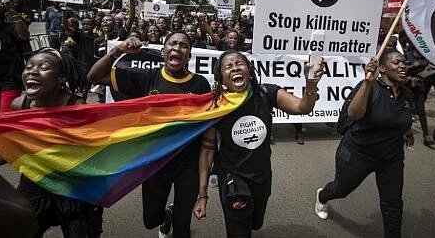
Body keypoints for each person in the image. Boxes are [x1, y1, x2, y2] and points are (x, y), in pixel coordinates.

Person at [88, 31, 210, 238]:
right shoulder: (146, 78)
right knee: (151, 220)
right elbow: (94, 76)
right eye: (172, 44)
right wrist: (119, 49)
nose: (177, 48)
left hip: (187, 164)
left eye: (183, 45)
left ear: (189, 55)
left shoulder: (200, 85)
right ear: (163, 52)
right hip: (155, 162)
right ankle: (167, 215)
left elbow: (208, 124)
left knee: (183, 227)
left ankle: (178, 219)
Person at [192, 50, 324, 238]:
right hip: (232, 179)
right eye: (228, 66)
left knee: (255, 223)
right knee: (239, 231)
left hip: (261, 176)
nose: (235, 67)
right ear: (221, 77)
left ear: (249, 69)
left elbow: (303, 108)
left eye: (240, 63)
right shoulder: (217, 106)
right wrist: (202, 194)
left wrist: (311, 85)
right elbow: (207, 150)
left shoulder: (266, 93)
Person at [314, 49, 414, 238]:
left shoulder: (407, 94)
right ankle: (322, 196)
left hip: (391, 159)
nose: (403, 66)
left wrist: (407, 132)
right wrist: (368, 82)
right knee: (341, 189)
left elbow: (403, 117)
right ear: (382, 69)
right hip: (358, 155)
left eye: (404, 62)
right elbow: (354, 114)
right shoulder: (369, 87)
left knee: (392, 205)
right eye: (397, 62)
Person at [11, 47, 103, 238]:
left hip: (71, 185)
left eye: (43, 67)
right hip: (34, 181)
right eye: (28, 67)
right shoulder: (19, 105)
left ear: (61, 79)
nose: (33, 71)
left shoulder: (78, 108)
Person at [0, 0, 30, 114]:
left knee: (6, 115)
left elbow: (24, 36)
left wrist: (12, 11)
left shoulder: (10, 28)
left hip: (10, 79)